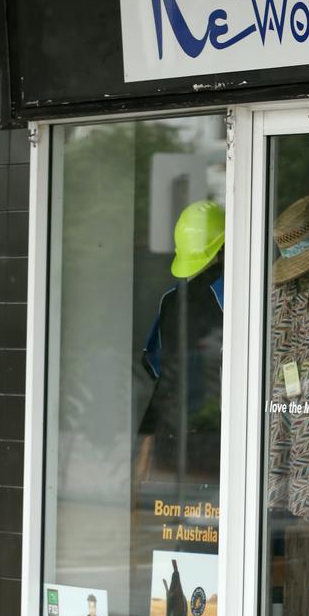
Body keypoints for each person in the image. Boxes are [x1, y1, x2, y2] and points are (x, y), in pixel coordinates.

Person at [138, 199, 225, 482]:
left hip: (172, 424)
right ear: (223, 247)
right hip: (221, 426)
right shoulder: (237, 292)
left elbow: (154, 363)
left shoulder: (170, 300)